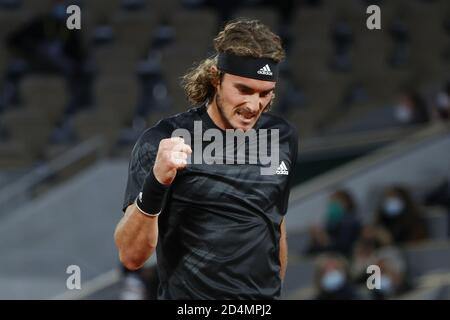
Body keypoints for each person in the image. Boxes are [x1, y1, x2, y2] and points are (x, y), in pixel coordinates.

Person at [114, 19, 299, 299]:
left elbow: (275, 227)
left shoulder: (281, 137)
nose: (254, 105)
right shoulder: (162, 141)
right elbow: (131, 256)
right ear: (215, 77)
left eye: (264, 94)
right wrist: (157, 181)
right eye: (244, 90)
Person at [306, 189, 361, 257]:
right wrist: (315, 239)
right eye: (331, 203)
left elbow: (343, 248)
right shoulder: (332, 224)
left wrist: (324, 240)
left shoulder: (350, 223)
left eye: (335, 202)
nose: (332, 206)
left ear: (346, 203)